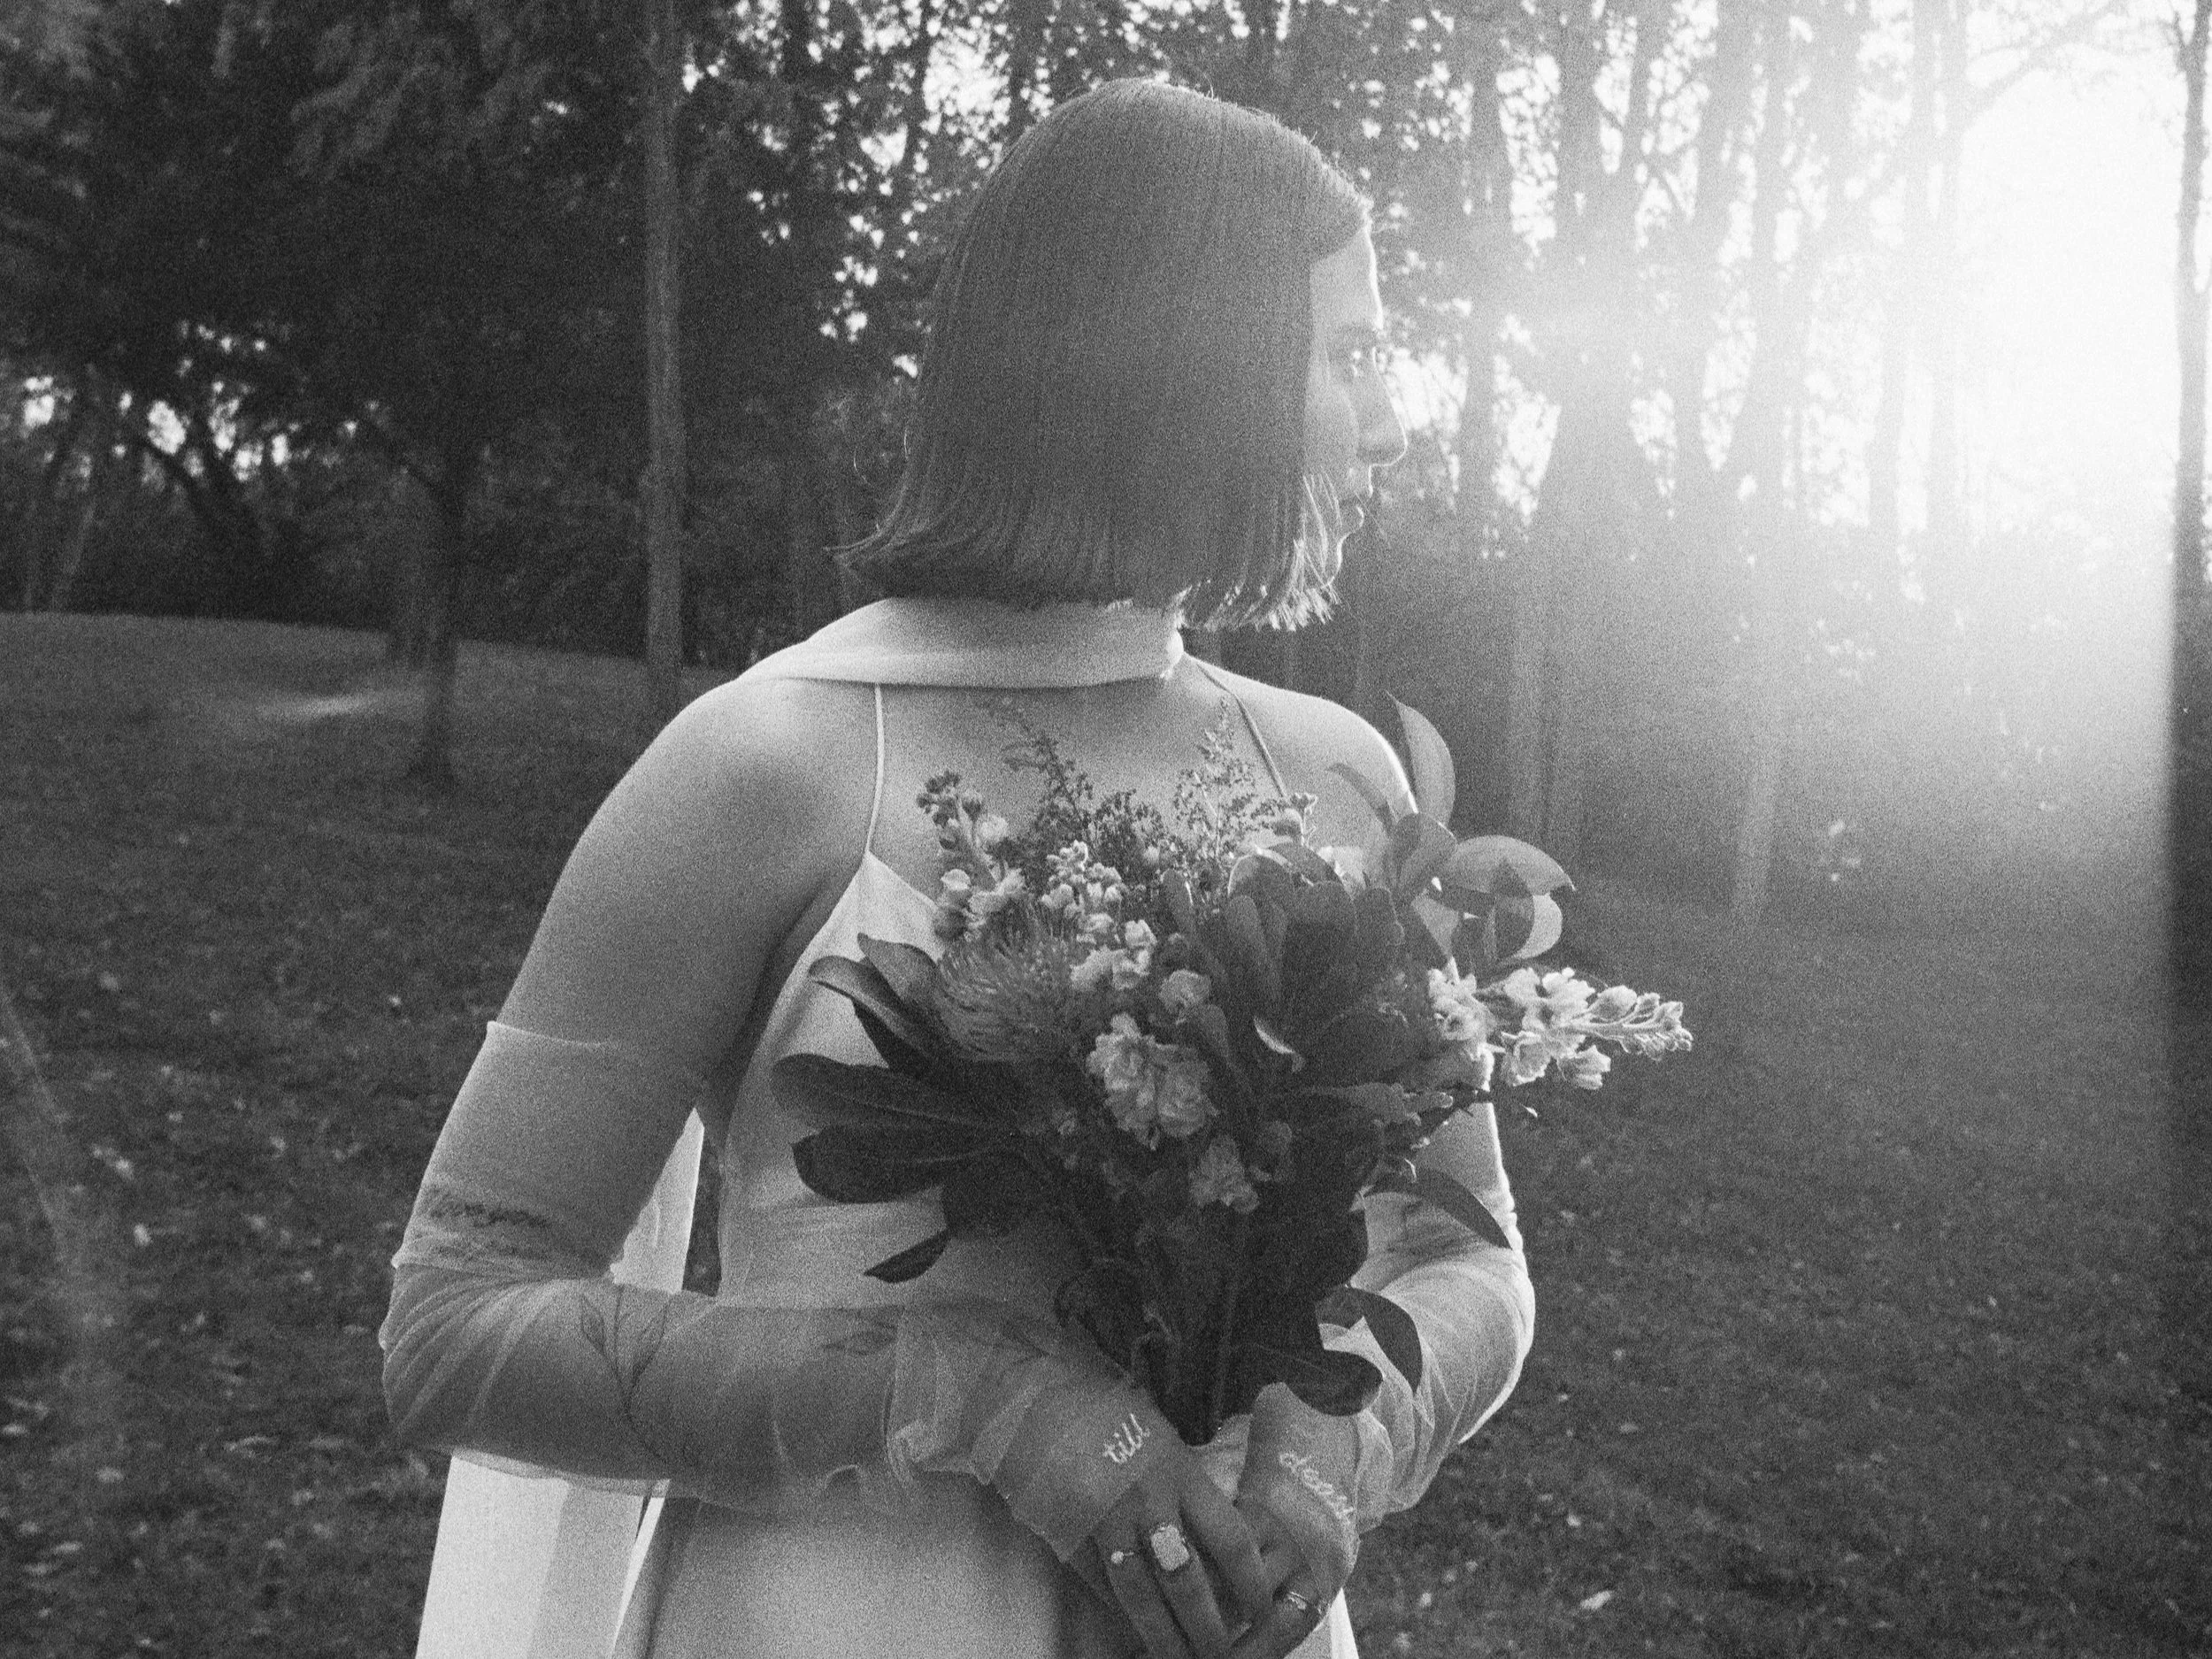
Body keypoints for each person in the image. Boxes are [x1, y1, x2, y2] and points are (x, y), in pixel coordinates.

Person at [380, 78, 1534, 1659]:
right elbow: (456, 1320)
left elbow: (1469, 1246)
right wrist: (976, 1396)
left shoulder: (1339, 773)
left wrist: (1340, 1454)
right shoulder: (761, 766)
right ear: (1184, 363)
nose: (1391, 416)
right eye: (1353, 353)